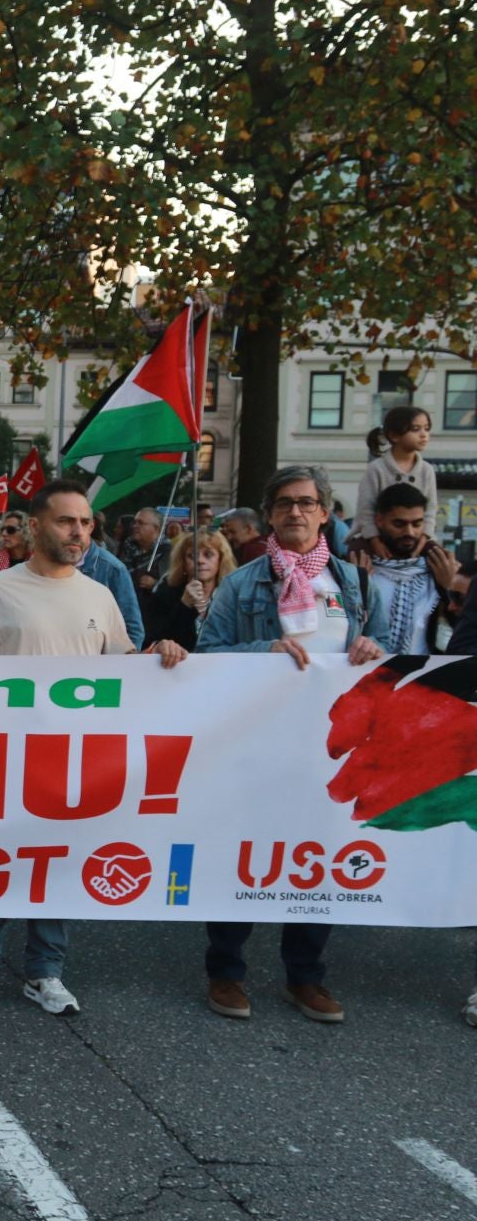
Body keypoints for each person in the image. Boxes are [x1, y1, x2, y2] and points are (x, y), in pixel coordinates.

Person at [0, 479, 189, 1017]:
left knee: (54, 863)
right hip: (2, 755)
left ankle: (45, 972)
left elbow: (125, 666)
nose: (79, 532)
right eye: (66, 521)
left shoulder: (100, 595)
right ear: (35, 526)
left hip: (73, 760)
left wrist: (159, 653)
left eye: (86, 523)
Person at [198, 464, 390, 1025]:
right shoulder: (242, 583)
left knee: (318, 856)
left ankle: (305, 976)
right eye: (285, 503)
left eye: (307, 503)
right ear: (270, 514)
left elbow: (391, 656)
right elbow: (207, 653)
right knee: (245, 854)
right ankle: (226, 971)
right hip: (257, 742)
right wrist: (264, 652)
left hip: (331, 747)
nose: (296, 512)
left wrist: (373, 648)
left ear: (324, 513)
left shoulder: (356, 585)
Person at [360, 482, 460, 656]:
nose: (410, 532)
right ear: (379, 521)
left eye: (417, 524)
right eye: (399, 524)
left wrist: (450, 589)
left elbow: (460, 629)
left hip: (423, 675)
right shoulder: (361, 566)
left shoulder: (437, 570)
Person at [350, 405, 435, 551]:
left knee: (441, 556)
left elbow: (431, 509)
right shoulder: (377, 469)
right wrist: (375, 540)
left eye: (426, 428)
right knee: (358, 556)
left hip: (416, 537)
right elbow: (366, 509)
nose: (424, 434)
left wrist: (424, 538)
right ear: (395, 435)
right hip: (376, 535)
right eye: (416, 429)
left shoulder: (426, 470)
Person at [145, 528, 236, 652]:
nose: (200, 561)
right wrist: (184, 605)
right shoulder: (165, 593)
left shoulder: (232, 594)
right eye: (192, 555)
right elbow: (152, 641)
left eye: (208, 555)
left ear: (221, 559)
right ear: (182, 561)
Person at [77, 525, 145, 648]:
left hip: (98, 663)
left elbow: (133, 630)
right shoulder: (45, 567)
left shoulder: (112, 568)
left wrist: (121, 665)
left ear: (91, 526)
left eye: (83, 522)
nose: (75, 530)